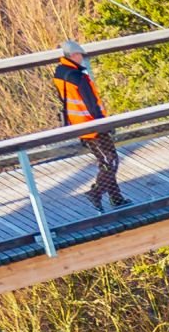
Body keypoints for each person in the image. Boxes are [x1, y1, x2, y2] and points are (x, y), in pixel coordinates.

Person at [50, 42, 124, 210]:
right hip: (93, 125)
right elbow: (92, 103)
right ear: (74, 55)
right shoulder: (79, 77)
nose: (82, 58)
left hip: (79, 124)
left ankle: (116, 198)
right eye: (80, 55)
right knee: (110, 161)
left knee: (105, 161)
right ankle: (96, 193)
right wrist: (104, 124)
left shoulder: (60, 74)